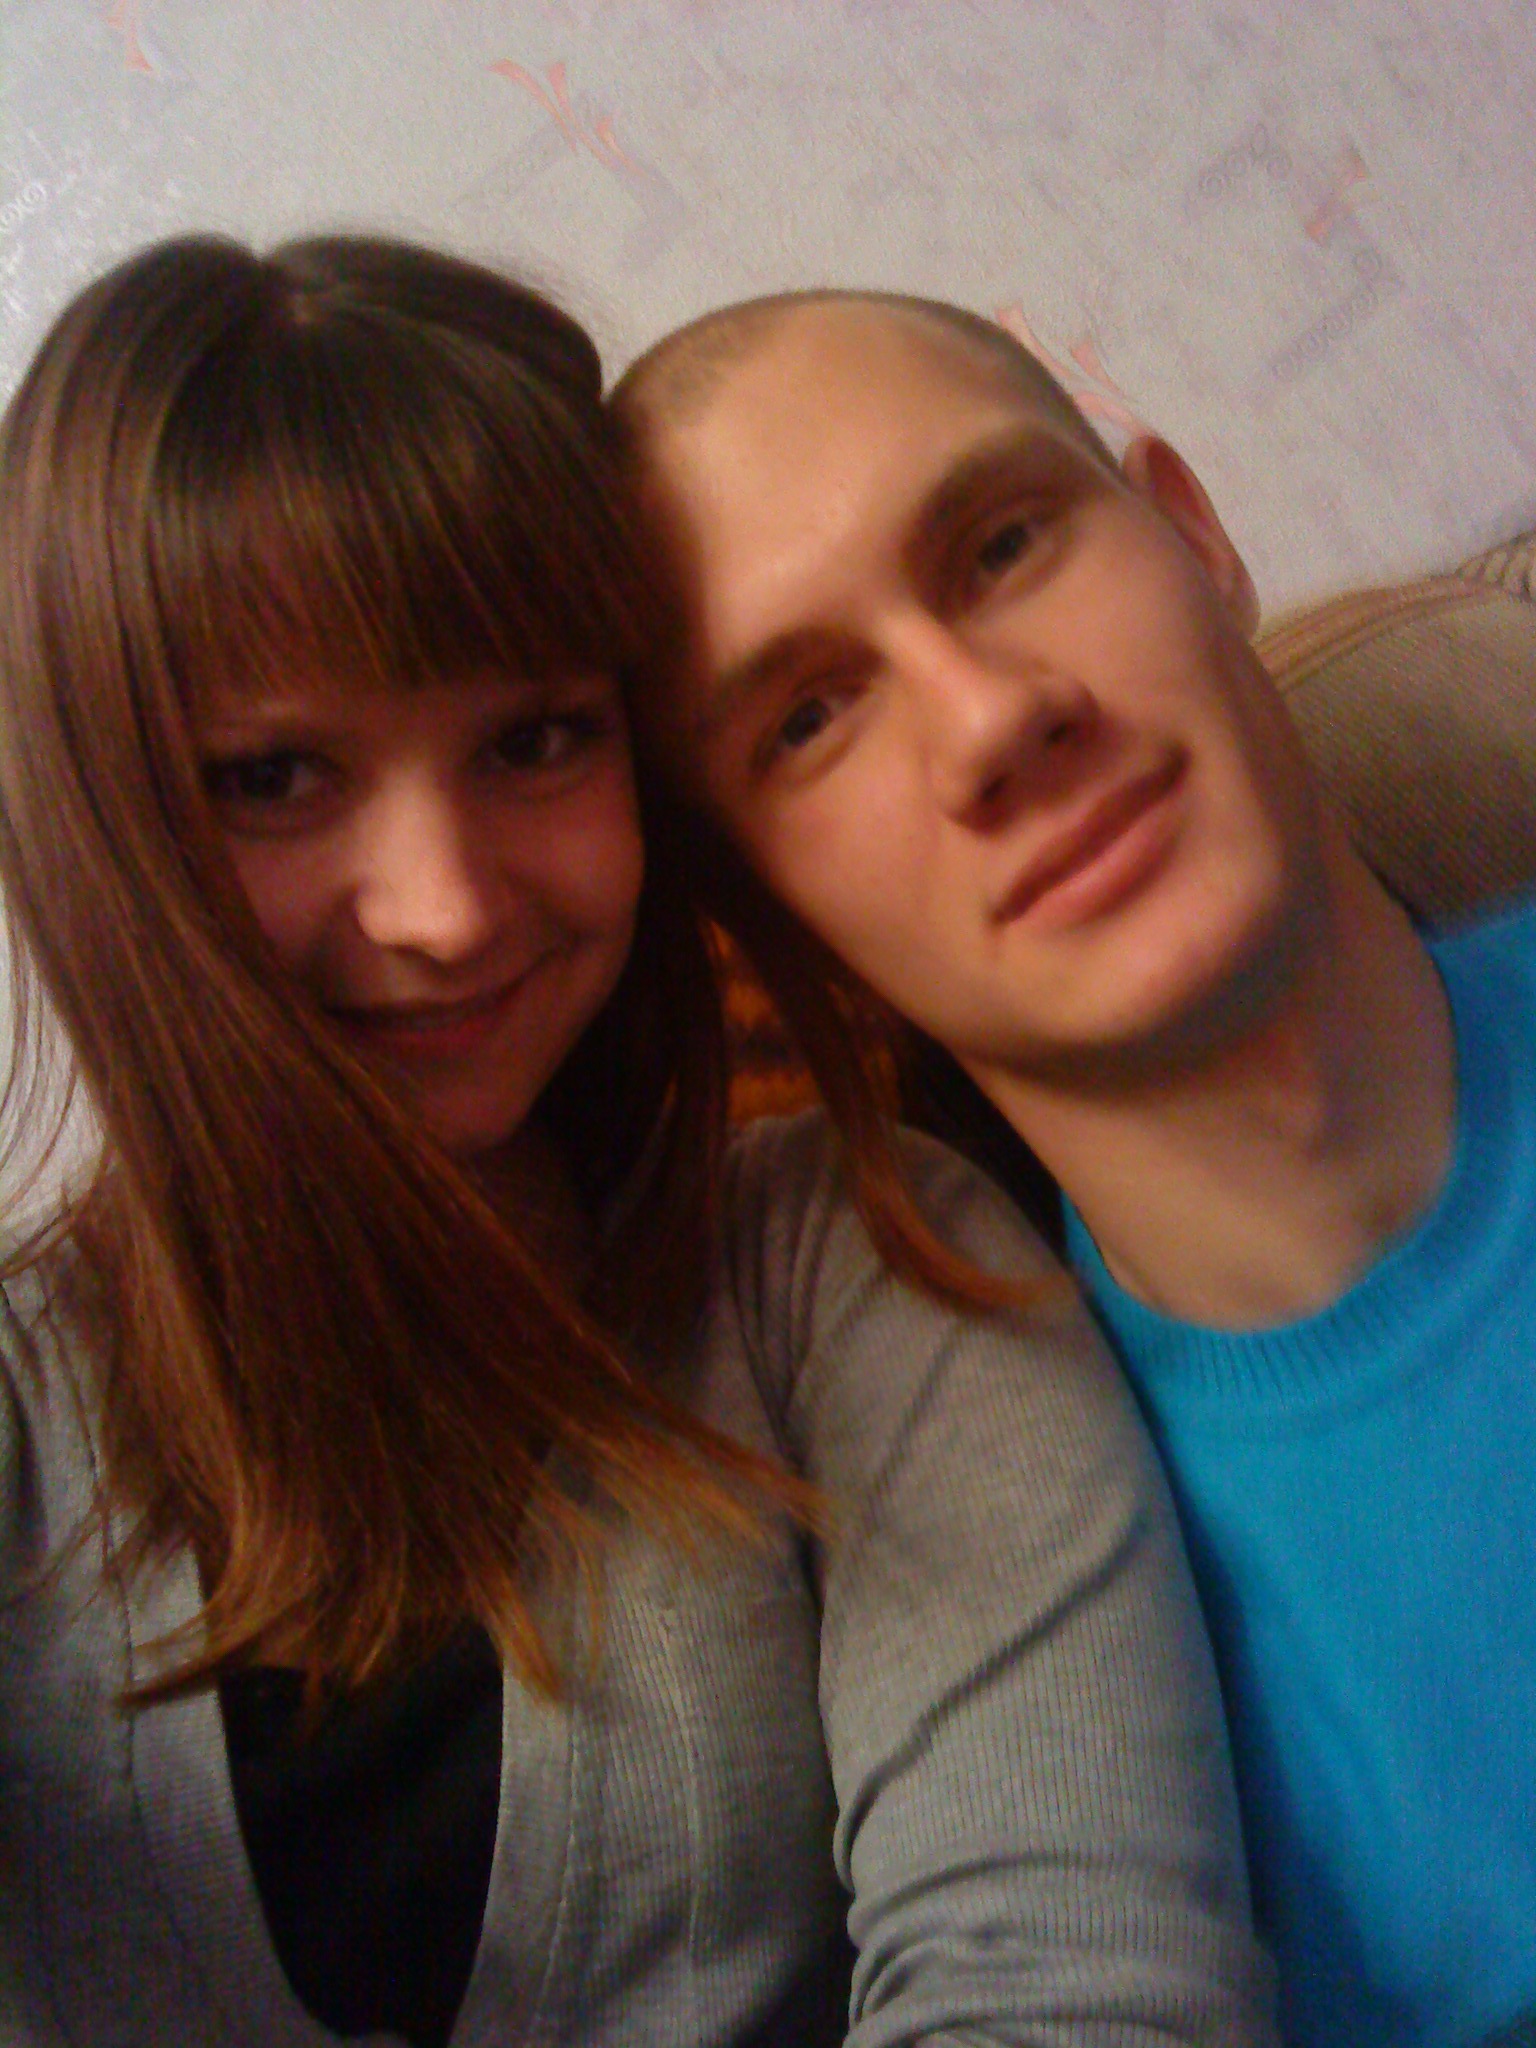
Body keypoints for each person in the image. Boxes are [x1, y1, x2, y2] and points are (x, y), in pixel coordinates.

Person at [0, 238, 1278, 2047]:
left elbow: (1081, 1980)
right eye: (274, 777)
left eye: (535, 739)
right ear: (95, 823)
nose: (445, 909)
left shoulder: (850, 1271)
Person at [615, 288, 1536, 2048]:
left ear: (1192, 532)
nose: (989, 719)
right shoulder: (1047, 1698)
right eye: (807, 718)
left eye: (1003, 545)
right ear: (769, 932)